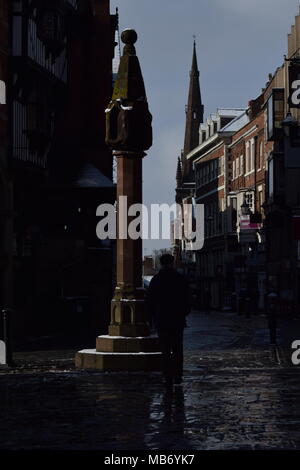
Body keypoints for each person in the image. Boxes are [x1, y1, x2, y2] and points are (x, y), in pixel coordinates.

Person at [147, 253, 191, 390]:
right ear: (172, 263)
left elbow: (150, 302)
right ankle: (178, 376)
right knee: (177, 349)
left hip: (162, 320)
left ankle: (167, 377)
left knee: (165, 350)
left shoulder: (156, 279)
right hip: (177, 320)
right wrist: (183, 313)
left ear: (161, 263)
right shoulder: (180, 279)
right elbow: (188, 299)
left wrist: (153, 318)